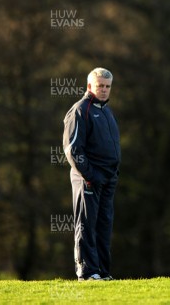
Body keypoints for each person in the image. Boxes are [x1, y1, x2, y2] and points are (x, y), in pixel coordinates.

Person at [63, 67, 120, 281]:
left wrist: (113, 173)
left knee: (104, 225)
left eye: (107, 86)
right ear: (89, 86)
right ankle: (87, 272)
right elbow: (72, 149)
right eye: (100, 86)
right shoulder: (80, 110)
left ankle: (103, 272)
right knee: (86, 225)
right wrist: (90, 175)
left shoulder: (106, 110)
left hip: (108, 180)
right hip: (87, 179)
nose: (104, 90)